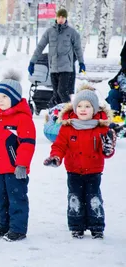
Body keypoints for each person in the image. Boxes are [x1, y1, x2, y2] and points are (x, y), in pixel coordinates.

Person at [44, 86, 116, 239]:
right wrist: (55, 157)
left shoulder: (101, 128)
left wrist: (108, 149)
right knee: (74, 199)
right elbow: (59, 146)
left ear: (95, 109)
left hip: (94, 172)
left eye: (88, 106)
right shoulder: (67, 128)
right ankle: (77, 226)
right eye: (80, 106)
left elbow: (106, 151)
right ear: (75, 108)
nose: (83, 109)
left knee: (93, 199)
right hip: (74, 171)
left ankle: (97, 226)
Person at [0, 71, 36, 242]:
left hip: (16, 169)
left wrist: (21, 164)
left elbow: (28, 143)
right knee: (0, 199)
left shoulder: (23, 119)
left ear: (14, 98)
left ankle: (17, 229)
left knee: (17, 200)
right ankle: (0, 226)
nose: (0, 100)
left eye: (4, 97)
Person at [28, 9, 84, 107]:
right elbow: (40, 47)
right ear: (56, 18)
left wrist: (81, 63)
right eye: (59, 17)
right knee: (56, 94)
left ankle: (69, 110)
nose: (61, 19)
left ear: (66, 18)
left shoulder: (71, 32)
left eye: (63, 17)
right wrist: (32, 62)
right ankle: (58, 116)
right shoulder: (50, 32)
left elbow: (78, 49)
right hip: (53, 68)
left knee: (62, 91)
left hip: (66, 68)